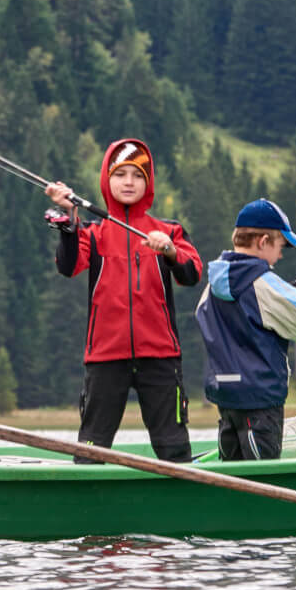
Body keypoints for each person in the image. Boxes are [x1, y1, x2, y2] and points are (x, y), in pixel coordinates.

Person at [44, 138, 201, 462]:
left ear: (148, 183)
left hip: (160, 357)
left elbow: (192, 273)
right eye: (120, 174)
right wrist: (69, 220)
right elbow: (68, 266)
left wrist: (169, 251)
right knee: (89, 451)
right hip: (104, 357)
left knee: (174, 449)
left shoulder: (168, 231)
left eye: (138, 175)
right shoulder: (92, 233)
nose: (129, 182)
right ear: (107, 180)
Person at [194, 198, 296, 461]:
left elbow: (201, 314)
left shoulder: (213, 283)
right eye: (280, 246)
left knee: (232, 474)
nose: (280, 255)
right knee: (263, 478)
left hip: (226, 396)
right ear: (262, 242)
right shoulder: (263, 283)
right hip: (260, 401)